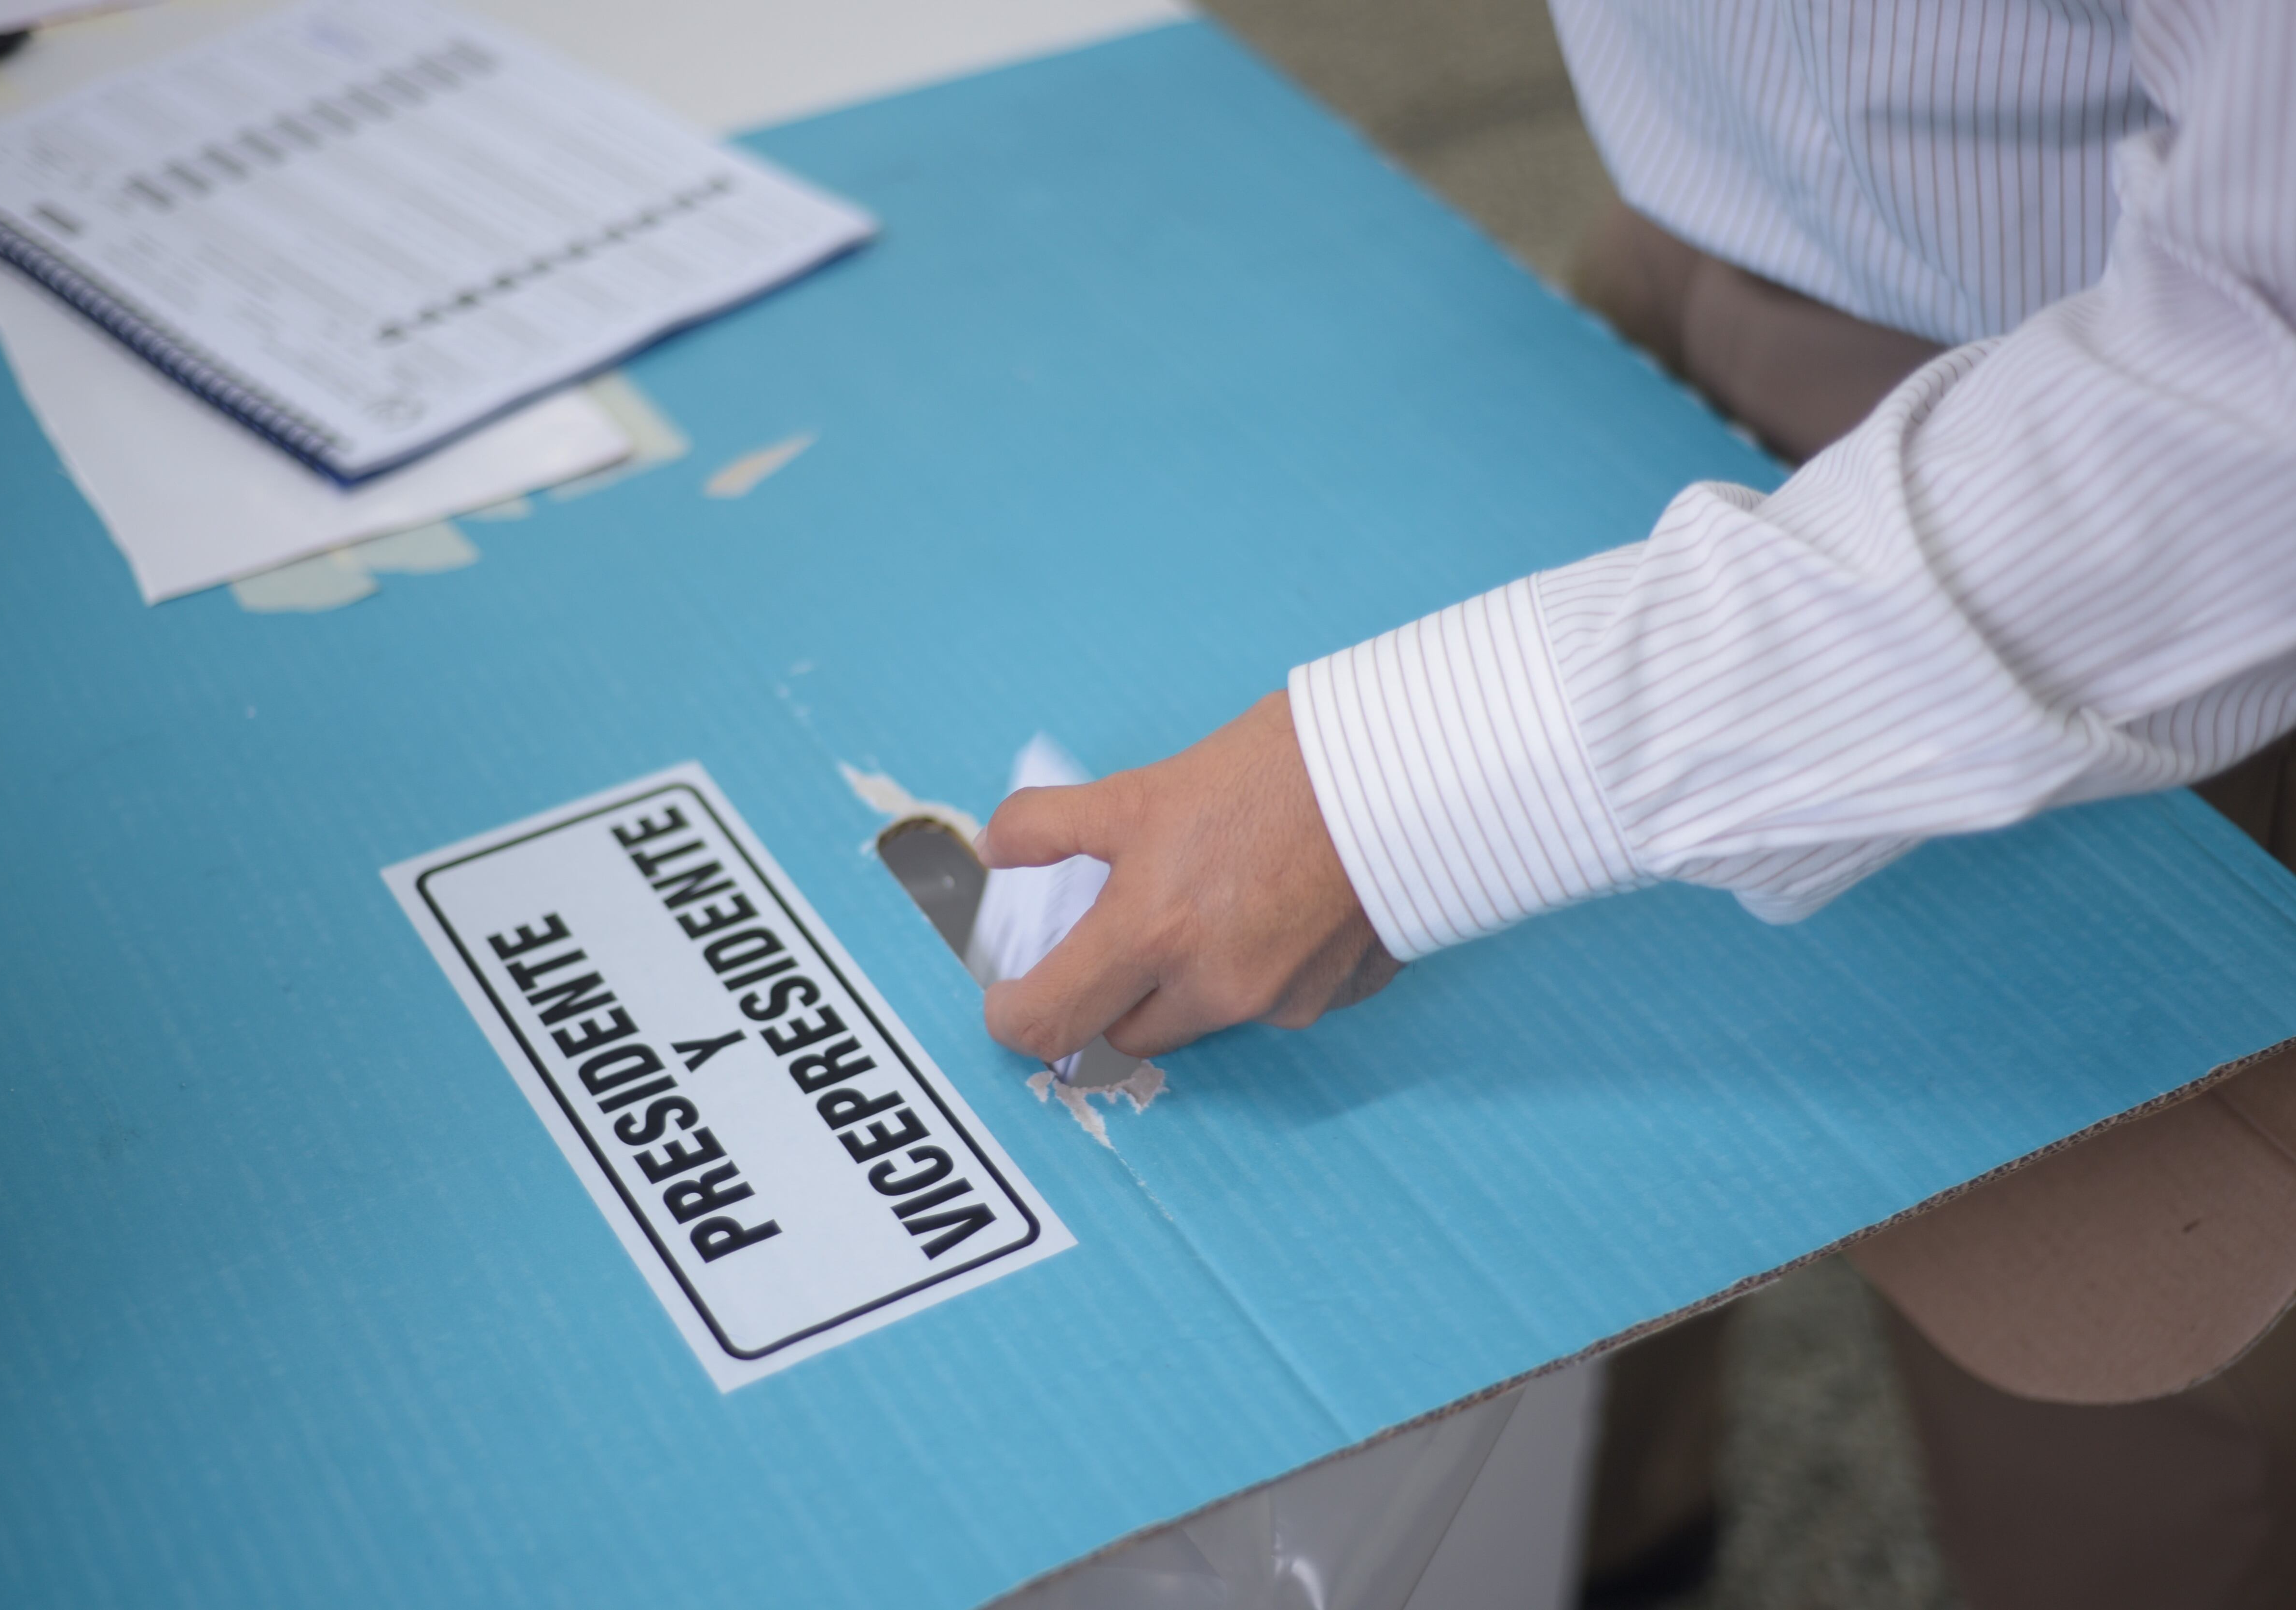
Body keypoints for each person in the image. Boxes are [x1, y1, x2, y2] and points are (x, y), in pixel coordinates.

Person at [973, 1, 2296, 1604]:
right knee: (1571, 1225)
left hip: (2113, 508)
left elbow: (2250, 400)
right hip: (1683, 248)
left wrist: (1396, 785)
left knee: (2127, 1348)